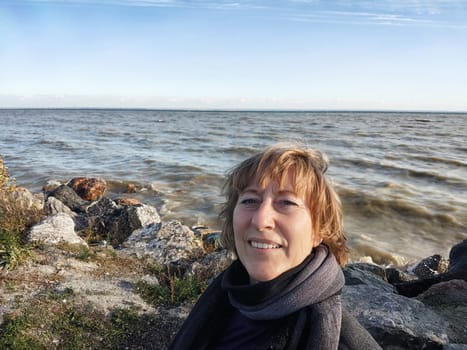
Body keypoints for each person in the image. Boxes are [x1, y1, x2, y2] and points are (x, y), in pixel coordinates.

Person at [169, 143, 381, 350]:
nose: (261, 220)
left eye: (287, 202)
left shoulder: (336, 337)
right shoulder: (228, 291)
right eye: (250, 200)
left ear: (319, 231)